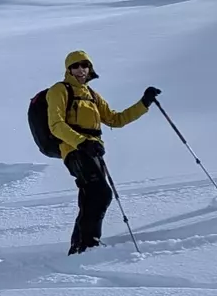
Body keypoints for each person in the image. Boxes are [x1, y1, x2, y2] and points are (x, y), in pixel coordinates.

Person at [46, 50, 161, 254]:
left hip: (93, 151)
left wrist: (144, 103)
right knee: (101, 193)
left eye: (85, 65)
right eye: (76, 66)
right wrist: (82, 142)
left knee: (90, 196)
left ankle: (78, 246)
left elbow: (115, 120)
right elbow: (56, 124)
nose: (81, 70)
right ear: (68, 69)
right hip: (74, 150)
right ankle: (88, 245)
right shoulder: (59, 90)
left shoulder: (92, 95)